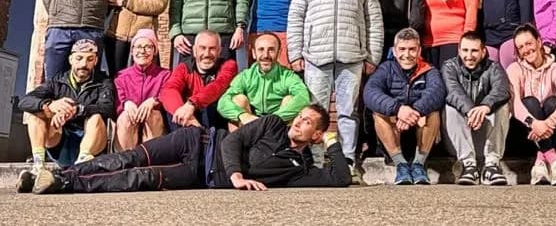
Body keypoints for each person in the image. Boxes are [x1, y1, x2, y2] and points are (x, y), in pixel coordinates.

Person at [22, 105, 350, 194]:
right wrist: (236, 174)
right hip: (197, 140)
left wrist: (333, 142)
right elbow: (234, 140)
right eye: (301, 116)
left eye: (308, 122)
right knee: (129, 156)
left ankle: (64, 183)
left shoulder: (299, 170)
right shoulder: (275, 123)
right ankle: (57, 173)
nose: (299, 122)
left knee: (139, 178)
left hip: (199, 173)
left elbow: (338, 180)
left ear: (316, 134)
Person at [287, 0, 383, 183]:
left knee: (348, 112)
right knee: (313, 114)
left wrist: (372, 56)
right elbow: (296, 16)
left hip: (352, 56)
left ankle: (349, 161)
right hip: (316, 57)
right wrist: (295, 52)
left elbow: (373, 20)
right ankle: (316, 160)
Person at [18, 39, 115, 183]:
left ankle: (80, 169)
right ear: (71, 59)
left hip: (91, 144)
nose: (84, 64)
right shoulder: (57, 82)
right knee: (36, 115)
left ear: (95, 61)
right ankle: (38, 166)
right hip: (60, 142)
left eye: (90, 59)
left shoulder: (104, 82)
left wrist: (77, 110)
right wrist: (49, 105)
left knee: (96, 118)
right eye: (79, 58)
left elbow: (108, 108)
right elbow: (24, 101)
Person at [364, 28, 446, 185]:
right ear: (394, 51)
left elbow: (437, 92)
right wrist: (398, 109)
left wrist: (414, 111)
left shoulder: (430, 70)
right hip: (394, 131)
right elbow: (370, 92)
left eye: (412, 49)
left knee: (432, 112)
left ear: (419, 50)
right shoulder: (385, 68)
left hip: (421, 130)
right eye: (402, 49)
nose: (407, 55)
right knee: (378, 113)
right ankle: (400, 164)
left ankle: (418, 165)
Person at [506, 24, 556, 185]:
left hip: (551, 130)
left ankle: (540, 161)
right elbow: (514, 103)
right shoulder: (514, 69)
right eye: (521, 47)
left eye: (529, 43)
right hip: (525, 131)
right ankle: (553, 159)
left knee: (553, 103)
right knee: (530, 102)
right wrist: (534, 123)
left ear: (539, 42)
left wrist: (548, 123)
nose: (526, 49)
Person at [441, 31, 510, 186]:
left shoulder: (494, 67)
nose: (469, 55)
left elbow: (502, 89)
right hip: (459, 139)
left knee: (502, 106)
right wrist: (472, 111)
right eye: (465, 50)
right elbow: (453, 92)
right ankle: (468, 166)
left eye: (474, 51)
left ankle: (492, 166)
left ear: (483, 51)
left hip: (486, 137)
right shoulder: (449, 67)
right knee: (450, 107)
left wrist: (485, 106)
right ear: (459, 50)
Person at [217, 33, 310, 129]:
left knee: (289, 100)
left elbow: (304, 97)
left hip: (278, 123)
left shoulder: (287, 76)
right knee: (238, 100)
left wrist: (273, 119)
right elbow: (223, 102)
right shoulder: (246, 76)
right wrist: (243, 116)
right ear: (254, 53)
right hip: (251, 123)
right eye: (261, 49)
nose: (265, 55)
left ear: (279, 52)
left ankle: (285, 143)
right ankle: (240, 143)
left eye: (271, 50)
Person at [159, 31, 238, 130]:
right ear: (194, 50)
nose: (207, 54)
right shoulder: (184, 68)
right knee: (170, 109)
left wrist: (193, 103)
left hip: (217, 121)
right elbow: (168, 90)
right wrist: (185, 115)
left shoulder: (228, 65)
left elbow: (218, 85)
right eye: (202, 48)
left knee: (209, 107)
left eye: (212, 49)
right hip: (189, 120)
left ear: (219, 51)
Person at [113, 29, 170, 151]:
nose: (142, 51)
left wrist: (154, 101)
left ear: (155, 51)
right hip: (129, 125)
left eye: (148, 47)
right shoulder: (121, 76)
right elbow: (118, 102)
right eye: (138, 47)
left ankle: (150, 160)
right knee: (125, 117)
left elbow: (168, 96)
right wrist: (125, 104)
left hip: (154, 127)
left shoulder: (165, 75)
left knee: (153, 115)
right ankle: (125, 160)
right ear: (132, 51)